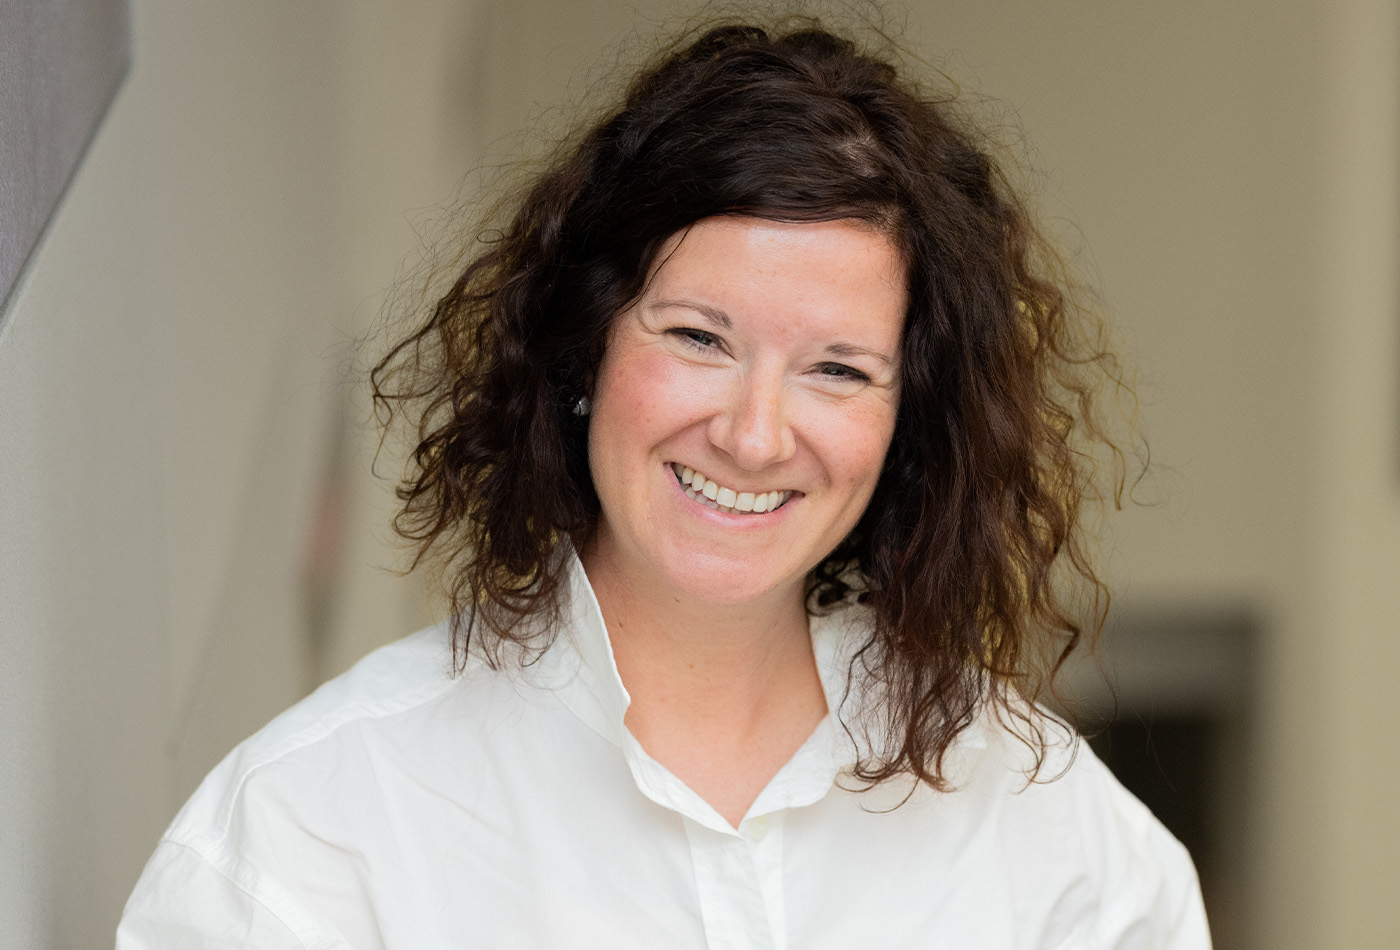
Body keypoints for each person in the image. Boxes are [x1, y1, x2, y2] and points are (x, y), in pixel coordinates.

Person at [118, 17, 1211, 949]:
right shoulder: (310, 833)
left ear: (906, 421)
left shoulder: (1057, 842)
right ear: (584, 343)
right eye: (697, 336)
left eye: (836, 368)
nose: (751, 431)